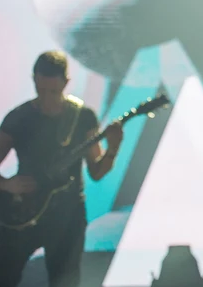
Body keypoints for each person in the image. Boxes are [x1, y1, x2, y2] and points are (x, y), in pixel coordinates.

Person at [0, 51, 123, 287]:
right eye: (41, 90)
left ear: (66, 83)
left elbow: (97, 172)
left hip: (67, 217)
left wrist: (113, 148)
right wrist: (6, 184)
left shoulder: (83, 117)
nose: (47, 99)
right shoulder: (18, 118)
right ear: (34, 80)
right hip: (22, 214)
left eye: (53, 92)